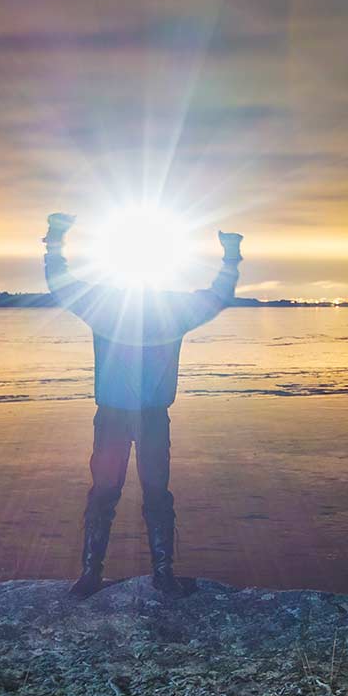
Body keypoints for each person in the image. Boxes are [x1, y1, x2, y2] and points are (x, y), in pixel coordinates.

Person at [43, 212, 243, 598]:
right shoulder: (129, 308)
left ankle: (149, 573)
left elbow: (60, 284)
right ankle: (100, 573)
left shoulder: (134, 308)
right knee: (115, 492)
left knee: (144, 493)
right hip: (120, 418)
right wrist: (231, 255)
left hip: (143, 417)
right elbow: (60, 285)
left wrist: (55, 238)